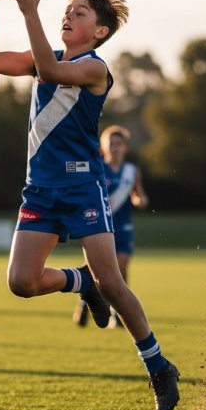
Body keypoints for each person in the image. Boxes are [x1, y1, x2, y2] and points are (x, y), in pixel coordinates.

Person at [0, 0, 179, 410]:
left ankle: (158, 365)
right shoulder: (43, 58)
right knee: (21, 283)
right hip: (40, 191)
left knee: (114, 281)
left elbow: (50, 67)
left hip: (83, 187)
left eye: (79, 12)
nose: (67, 15)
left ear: (100, 30)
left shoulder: (94, 68)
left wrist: (29, 11)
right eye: (67, 10)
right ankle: (80, 281)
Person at [73, 125, 149, 329]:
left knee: (121, 269)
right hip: (99, 226)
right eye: (111, 144)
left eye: (119, 144)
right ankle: (84, 303)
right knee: (96, 271)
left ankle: (118, 313)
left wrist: (140, 199)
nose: (115, 148)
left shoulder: (132, 171)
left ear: (125, 148)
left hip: (122, 226)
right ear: (104, 148)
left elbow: (137, 193)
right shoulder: (97, 168)